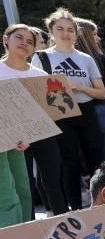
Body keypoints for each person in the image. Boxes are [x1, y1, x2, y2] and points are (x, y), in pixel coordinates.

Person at [32, 9, 105, 210]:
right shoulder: (41, 57)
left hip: (87, 111)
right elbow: (36, 91)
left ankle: (101, 205)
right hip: (60, 114)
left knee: (96, 162)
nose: (66, 33)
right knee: (68, 164)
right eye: (60, 29)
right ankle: (76, 208)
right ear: (51, 31)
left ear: (76, 33)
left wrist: (78, 86)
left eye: (70, 29)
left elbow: (102, 93)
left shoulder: (86, 58)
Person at [1, 23, 69, 218]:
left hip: (42, 134)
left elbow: (52, 110)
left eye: (30, 41)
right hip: (11, 141)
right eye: (19, 38)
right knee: (23, 186)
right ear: (6, 40)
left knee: (53, 180)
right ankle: (27, 225)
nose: (25, 43)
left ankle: (61, 220)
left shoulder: (40, 76)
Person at [75, 18, 105, 164]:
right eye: (95, 34)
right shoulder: (100, 59)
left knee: (94, 163)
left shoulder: (72, 61)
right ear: (86, 37)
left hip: (82, 113)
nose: (99, 38)